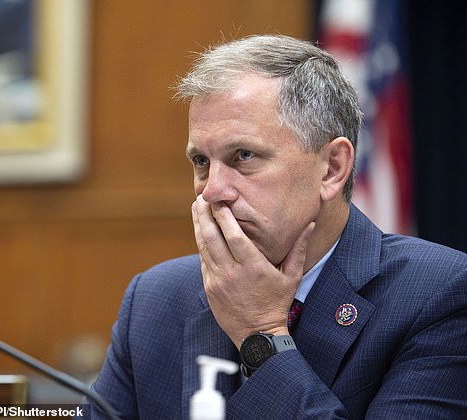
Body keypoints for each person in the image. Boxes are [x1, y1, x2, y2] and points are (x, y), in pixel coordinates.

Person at [76, 34, 467, 419]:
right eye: (200, 162)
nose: (211, 192)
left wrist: (261, 333)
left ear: (332, 168)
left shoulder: (439, 295)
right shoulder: (155, 300)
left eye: (243, 156)